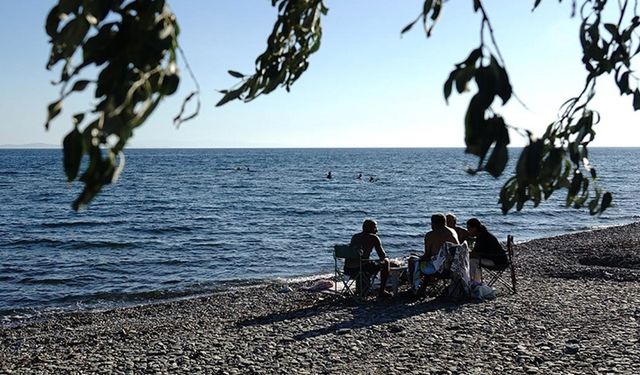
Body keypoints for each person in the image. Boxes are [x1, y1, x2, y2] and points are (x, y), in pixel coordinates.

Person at [347, 219, 392, 298]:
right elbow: (382, 255)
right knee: (386, 262)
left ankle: (361, 289)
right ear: (369, 228)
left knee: (365, 263)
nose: (377, 230)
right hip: (362, 268)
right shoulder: (373, 237)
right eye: (375, 228)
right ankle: (382, 291)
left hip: (348, 269)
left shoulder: (355, 237)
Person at [466, 218, 508, 282]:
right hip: (499, 258)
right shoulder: (483, 234)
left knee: (472, 261)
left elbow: (475, 254)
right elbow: (476, 252)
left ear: (474, 228)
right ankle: (475, 281)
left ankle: (475, 282)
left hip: (497, 261)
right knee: (473, 259)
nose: (468, 230)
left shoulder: (482, 237)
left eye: (469, 228)